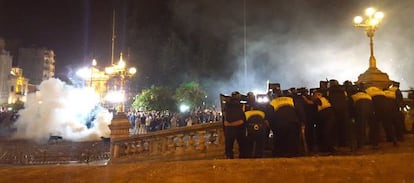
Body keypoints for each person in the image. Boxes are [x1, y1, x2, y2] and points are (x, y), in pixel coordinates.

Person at [269, 91, 302, 157]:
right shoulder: (291, 100)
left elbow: (270, 115)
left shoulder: (273, 102)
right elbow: (300, 111)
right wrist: (302, 122)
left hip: (279, 123)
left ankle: (279, 155)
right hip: (293, 122)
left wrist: (272, 127)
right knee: (293, 141)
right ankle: (293, 155)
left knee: (280, 140)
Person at [243, 92, 270, 158]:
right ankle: (259, 155)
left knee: (249, 144)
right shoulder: (260, 106)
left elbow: (242, 117)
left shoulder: (244, 106)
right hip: (260, 127)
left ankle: (248, 156)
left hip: (249, 128)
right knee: (260, 143)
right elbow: (265, 118)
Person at [223, 91, 247, 159]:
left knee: (229, 149)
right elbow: (242, 121)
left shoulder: (226, 106)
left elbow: (224, 120)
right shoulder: (241, 106)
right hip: (239, 130)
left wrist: (228, 125)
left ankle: (229, 160)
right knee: (242, 149)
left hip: (229, 131)